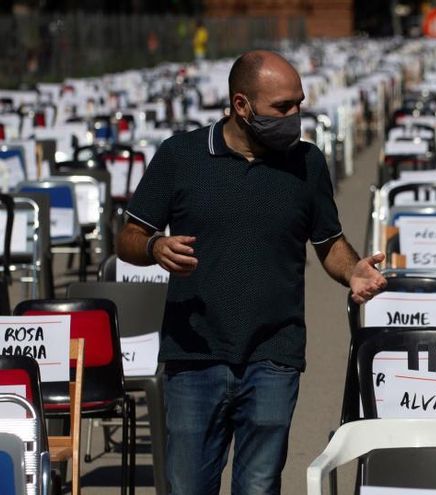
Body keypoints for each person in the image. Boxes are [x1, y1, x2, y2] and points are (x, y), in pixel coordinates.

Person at [116, 50, 387, 494]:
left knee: (259, 486)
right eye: (282, 107)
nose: (295, 114)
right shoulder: (180, 156)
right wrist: (154, 245)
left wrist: (352, 270)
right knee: (187, 487)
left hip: (274, 355)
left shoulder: (307, 163)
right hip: (194, 356)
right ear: (241, 105)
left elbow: (329, 242)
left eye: (298, 103)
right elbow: (128, 238)